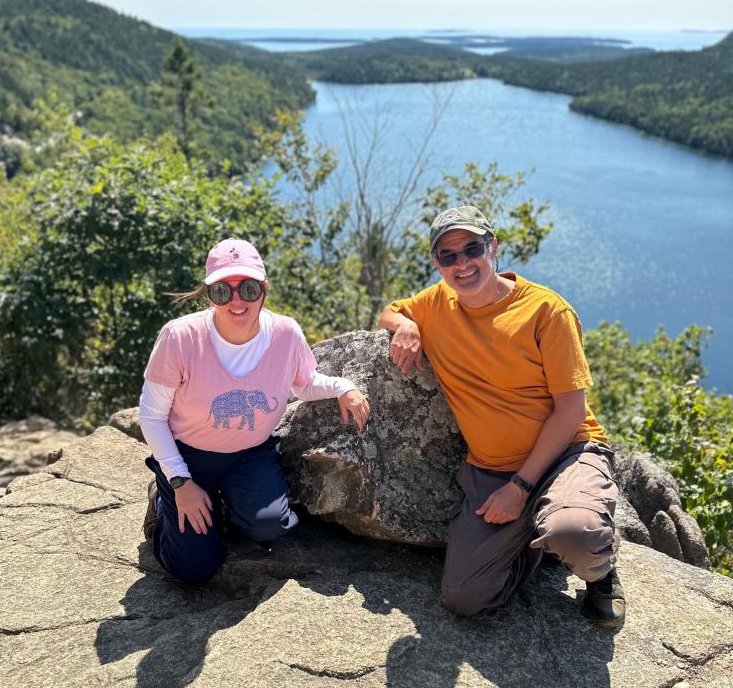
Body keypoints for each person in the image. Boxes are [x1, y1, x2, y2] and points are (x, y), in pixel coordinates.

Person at [378, 205, 624, 627]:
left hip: (565, 453)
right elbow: (389, 310)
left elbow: (571, 411)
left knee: (575, 532)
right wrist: (405, 325)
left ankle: (599, 573)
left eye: (472, 249)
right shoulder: (436, 304)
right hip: (490, 470)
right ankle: (535, 538)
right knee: (465, 599)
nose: (462, 264)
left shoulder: (547, 312)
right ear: (437, 264)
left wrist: (521, 487)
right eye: (448, 256)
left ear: (494, 248)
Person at [140, 238, 369, 585]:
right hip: (188, 459)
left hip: (248, 455)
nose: (236, 300)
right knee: (195, 570)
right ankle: (164, 503)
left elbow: (303, 384)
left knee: (270, 527)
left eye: (247, 288)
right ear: (209, 294)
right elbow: (152, 415)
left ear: (263, 289)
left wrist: (342, 387)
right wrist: (181, 483)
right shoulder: (180, 338)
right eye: (222, 291)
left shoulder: (285, 333)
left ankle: (221, 505)